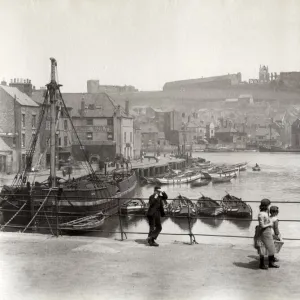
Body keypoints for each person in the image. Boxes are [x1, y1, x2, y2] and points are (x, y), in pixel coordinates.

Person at [256, 199, 279, 269]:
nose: (269, 207)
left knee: (270, 247)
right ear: (266, 206)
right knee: (263, 248)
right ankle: (262, 264)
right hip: (264, 232)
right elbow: (262, 225)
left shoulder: (265, 212)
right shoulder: (261, 214)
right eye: (268, 205)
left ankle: (270, 263)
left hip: (267, 232)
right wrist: (270, 224)